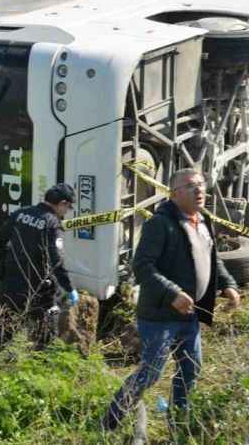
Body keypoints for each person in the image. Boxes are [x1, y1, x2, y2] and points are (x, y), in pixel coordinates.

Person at [101, 169, 241, 431]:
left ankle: (177, 424)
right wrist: (172, 293)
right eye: (190, 186)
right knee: (151, 373)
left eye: (201, 184)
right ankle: (109, 423)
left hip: (190, 315)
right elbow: (142, 266)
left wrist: (228, 285)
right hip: (160, 317)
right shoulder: (160, 224)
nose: (199, 190)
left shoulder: (203, 220)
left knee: (190, 369)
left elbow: (213, 260)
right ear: (174, 194)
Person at [0, 183, 80, 348]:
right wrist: (69, 287)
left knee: (4, 329)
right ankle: (40, 360)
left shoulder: (21, 213)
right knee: (45, 331)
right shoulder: (52, 223)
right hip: (39, 287)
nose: (67, 212)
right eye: (68, 207)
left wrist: (1, 270)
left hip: (13, 282)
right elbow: (56, 260)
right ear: (62, 203)